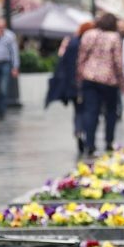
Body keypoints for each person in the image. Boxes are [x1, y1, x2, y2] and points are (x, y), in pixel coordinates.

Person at [77, 13, 124, 156]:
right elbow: (118, 61)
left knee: (91, 111)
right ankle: (109, 141)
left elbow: (81, 57)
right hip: (109, 80)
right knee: (110, 112)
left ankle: (90, 143)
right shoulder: (114, 37)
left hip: (89, 78)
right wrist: (121, 79)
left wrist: (79, 74)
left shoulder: (88, 35)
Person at [46, 22, 95, 154]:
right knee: (88, 110)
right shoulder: (88, 44)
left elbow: (63, 64)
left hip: (72, 84)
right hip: (86, 82)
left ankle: (78, 131)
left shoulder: (72, 43)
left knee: (78, 111)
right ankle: (86, 134)